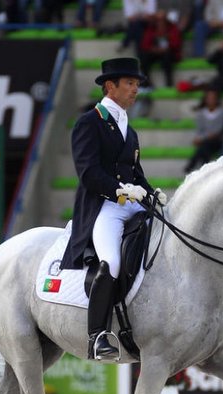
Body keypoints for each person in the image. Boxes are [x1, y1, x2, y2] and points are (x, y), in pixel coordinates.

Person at [62, 58, 162, 362]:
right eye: (130, 84)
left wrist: (150, 192)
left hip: (132, 205)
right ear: (110, 86)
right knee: (112, 261)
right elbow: (88, 172)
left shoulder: (128, 129)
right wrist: (119, 190)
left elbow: (135, 171)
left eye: (137, 85)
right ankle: (97, 336)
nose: (135, 90)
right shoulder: (89, 122)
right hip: (104, 206)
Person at [185, 88, 223, 172]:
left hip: (217, 140)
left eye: (213, 98)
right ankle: (205, 168)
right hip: (206, 142)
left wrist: (202, 138)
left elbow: (218, 130)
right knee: (205, 147)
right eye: (209, 98)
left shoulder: (222, 112)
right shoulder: (201, 113)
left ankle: (192, 165)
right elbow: (199, 129)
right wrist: (198, 138)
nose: (211, 100)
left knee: (204, 145)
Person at [139, 11, 183, 87]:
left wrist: (167, 46)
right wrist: (153, 49)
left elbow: (176, 44)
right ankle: (146, 83)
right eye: (158, 20)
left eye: (162, 20)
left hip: (169, 52)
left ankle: (169, 83)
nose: (160, 22)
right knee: (143, 57)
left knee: (167, 57)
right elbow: (144, 44)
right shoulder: (151, 29)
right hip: (155, 52)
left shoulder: (172, 28)